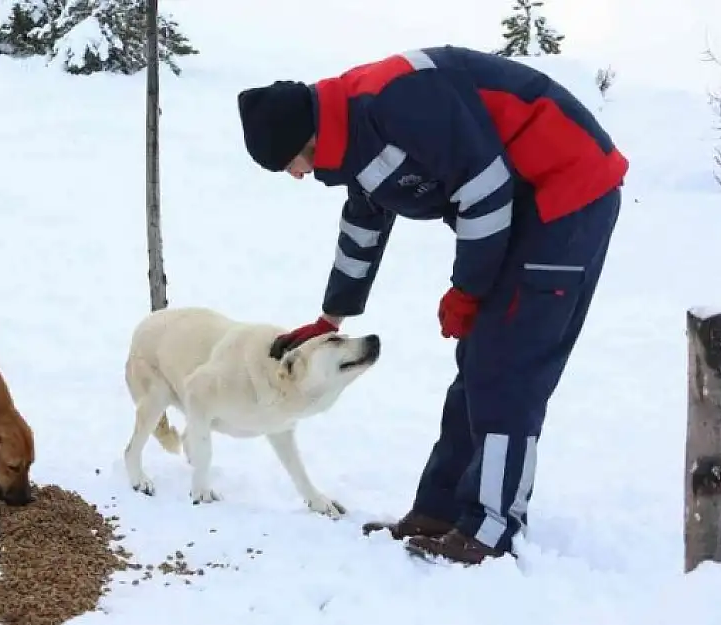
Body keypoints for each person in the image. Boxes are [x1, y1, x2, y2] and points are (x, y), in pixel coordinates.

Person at [235, 45, 628, 565]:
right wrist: (331, 317)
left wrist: (467, 290)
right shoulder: (351, 127)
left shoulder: (396, 101)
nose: (298, 175)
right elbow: (364, 218)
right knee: (480, 358)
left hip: (565, 189)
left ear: (304, 138)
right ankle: (442, 510)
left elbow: (485, 191)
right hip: (520, 201)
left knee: (508, 359)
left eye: (291, 163)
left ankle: (492, 529)